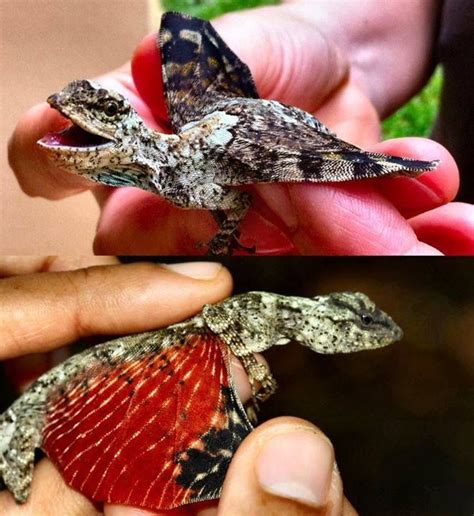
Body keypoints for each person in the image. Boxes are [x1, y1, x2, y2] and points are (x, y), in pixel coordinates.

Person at [7, 1, 474, 254]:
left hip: (263, 139)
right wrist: (329, 44)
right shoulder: (175, 176)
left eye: (107, 115)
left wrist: (226, 234)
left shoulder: (186, 178)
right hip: (239, 124)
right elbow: (233, 201)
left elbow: (234, 199)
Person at [0, 258, 356, 515]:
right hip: (164, 353)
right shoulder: (269, 311)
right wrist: (248, 363)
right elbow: (217, 317)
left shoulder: (278, 319)